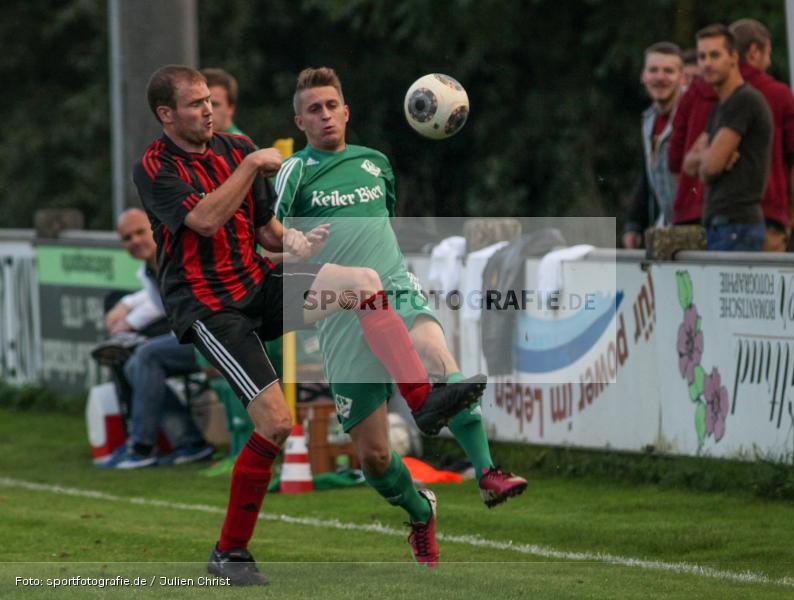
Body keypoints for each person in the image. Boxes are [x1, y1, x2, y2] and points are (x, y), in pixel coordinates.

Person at [133, 65, 484, 584]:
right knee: (276, 425)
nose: (208, 110)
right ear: (166, 115)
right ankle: (229, 552)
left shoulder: (234, 148)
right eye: (194, 104)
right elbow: (205, 220)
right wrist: (252, 165)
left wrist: (295, 243)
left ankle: (421, 399)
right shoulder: (156, 165)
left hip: (258, 285)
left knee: (363, 281)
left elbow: (265, 231)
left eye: (209, 100)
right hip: (210, 307)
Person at [274, 67, 528, 565]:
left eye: (331, 106)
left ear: (346, 112)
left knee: (437, 354)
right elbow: (271, 235)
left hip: (393, 285)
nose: (324, 115)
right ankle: (419, 510)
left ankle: (489, 472)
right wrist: (295, 244)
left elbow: (380, 225)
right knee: (374, 458)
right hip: (341, 310)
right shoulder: (295, 170)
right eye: (313, 110)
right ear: (299, 120)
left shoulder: (376, 164)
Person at [101, 209, 214, 469]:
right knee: (135, 364)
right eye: (127, 237)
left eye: (140, 232)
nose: (135, 241)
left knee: (147, 355)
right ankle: (192, 443)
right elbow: (158, 299)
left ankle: (141, 447)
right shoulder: (149, 271)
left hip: (217, 338)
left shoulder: (178, 256)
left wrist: (128, 320)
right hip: (195, 338)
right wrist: (128, 304)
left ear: (155, 228)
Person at [683, 24, 773, 251]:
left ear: (733, 57)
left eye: (715, 55)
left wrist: (709, 159)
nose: (707, 63)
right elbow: (689, 165)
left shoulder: (744, 101)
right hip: (720, 224)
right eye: (702, 57)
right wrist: (712, 154)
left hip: (737, 225)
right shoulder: (721, 107)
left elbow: (709, 168)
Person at [730, 19, 794, 251]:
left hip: (716, 220)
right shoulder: (778, 94)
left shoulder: (705, 92)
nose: (770, 61)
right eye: (768, 53)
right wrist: (788, 214)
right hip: (767, 217)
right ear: (754, 52)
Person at [623, 42, 684, 249]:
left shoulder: (692, 115)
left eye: (669, 71)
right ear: (643, 76)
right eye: (654, 70)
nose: (660, 77)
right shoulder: (648, 120)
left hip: (693, 229)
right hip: (665, 228)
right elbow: (648, 178)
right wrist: (634, 223)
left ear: (682, 78)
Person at [200, 68, 245, 136]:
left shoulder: (241, 145)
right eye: (198, 104)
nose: (207, 111)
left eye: (214, 105)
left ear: (231, 108)